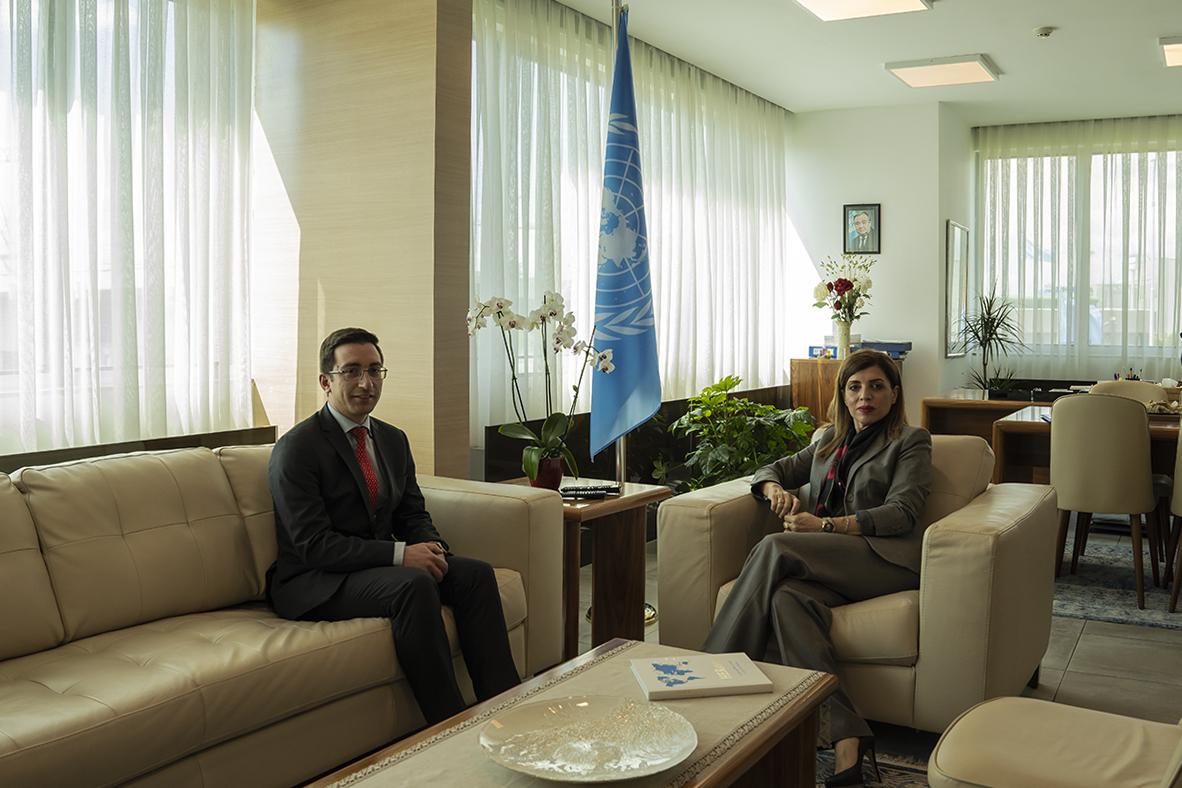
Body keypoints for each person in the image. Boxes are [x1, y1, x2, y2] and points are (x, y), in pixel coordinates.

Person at [266, 327, 520, 726]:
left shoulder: (392, 439)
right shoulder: (298, 449)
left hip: (375, 567)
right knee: (413, 585)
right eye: (351, 371)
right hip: (316, 579)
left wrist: (431, 547)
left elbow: (411, 514)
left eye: (374, 370)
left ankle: (507, 709)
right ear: (325, 381)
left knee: (475, 575)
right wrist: (401, 555)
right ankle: (450, 725)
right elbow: (314, 545)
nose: (365, 383)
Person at [703, 350, 931, 787]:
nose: (865, 396)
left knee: (775, 547)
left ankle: (710, 681)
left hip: (883, 559)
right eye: (855, 387)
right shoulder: (828, 440)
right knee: (787, 600)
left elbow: (902, 512)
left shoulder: (911, 441)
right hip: (830, 562)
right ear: (843, 395)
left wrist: (825, 525)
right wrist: (774, 490)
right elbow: (772, 469)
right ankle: (848, 739)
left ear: (894, 393)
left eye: (876, 386)